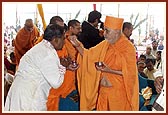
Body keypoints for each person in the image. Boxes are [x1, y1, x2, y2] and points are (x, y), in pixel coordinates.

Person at [69, 16, 139, 111]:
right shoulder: (105, 44)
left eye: (107, 31)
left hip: (118, 95)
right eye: (104, 30)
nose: (104, 34)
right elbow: (89, 56)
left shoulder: (128, 48)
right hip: (103, 93)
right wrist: (77, 46)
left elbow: (131, 74)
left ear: (117, 32)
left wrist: (109, 70)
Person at [4, 24, 66, 111]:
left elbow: (44, 67)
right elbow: (56, 82)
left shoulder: (41, 47)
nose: (64, 42)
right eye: (63, 39)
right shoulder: (48, 53)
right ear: (55, 40)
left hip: (22, 93)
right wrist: (63, 67)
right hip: (29, 97)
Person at [47, 19, 81, 111]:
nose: (62, 31)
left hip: (69, 88)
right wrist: (62, 65)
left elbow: (77, 59)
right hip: (51, 91)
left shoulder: (67, 42)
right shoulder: (43, 47)